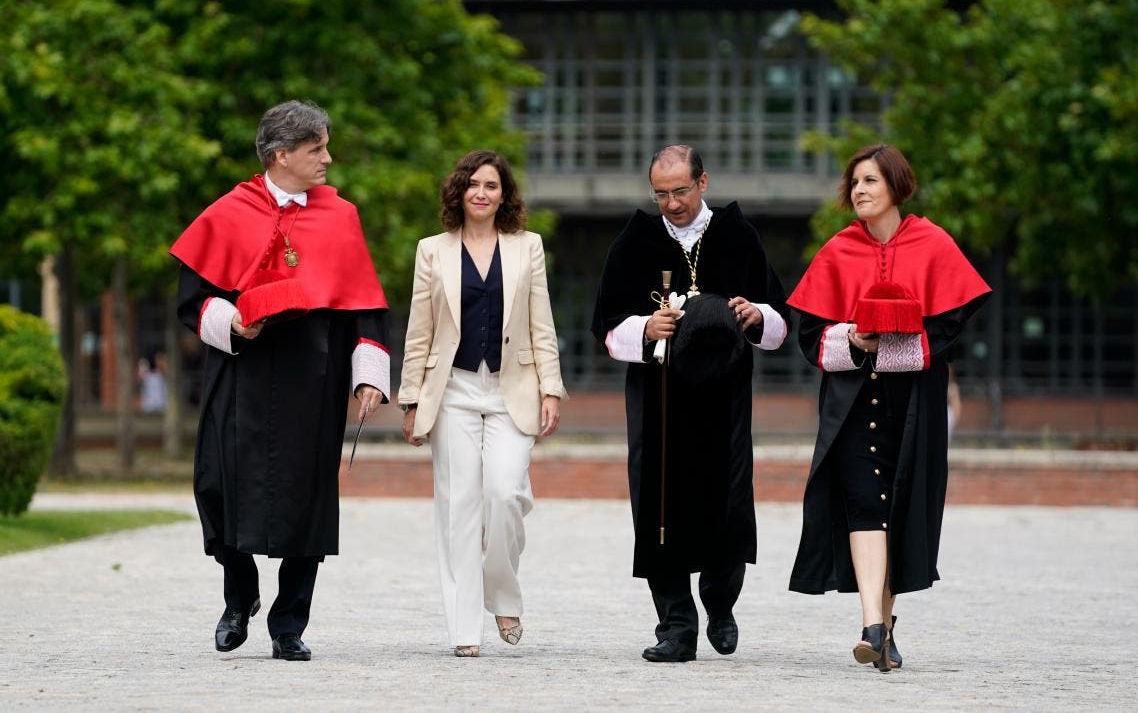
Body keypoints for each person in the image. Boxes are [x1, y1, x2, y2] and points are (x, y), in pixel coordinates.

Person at [170, 100, 390, 662]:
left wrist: (368, 377)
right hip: (239, 371)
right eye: (317, 149)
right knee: (219, 486)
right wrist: (235, 323)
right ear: (281, 154)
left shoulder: (340, 216)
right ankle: (238, 598)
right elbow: (192, 304)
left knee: (308, 499)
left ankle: (289, 624)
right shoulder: (226, 212)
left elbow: (363, 307)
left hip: (314, 375)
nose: (328, 158)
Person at [786, 143, 990, 671]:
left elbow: (950, 326)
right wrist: (857, 341)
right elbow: (810, 336)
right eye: (854, 183)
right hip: (851, 402)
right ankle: (871, 625)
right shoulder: (836, 250)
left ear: (896, 186)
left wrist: (894, 347)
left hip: (914, 400)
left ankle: (885, 626)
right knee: (865, 506)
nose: (860, 191)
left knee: (897, 507)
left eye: (871, 181)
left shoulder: (933, 242)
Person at [591, 144, 789, 662]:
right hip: (658, 403)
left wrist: (755, 315)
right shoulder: (633, 242)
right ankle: (676, 625)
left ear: (704, 182)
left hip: (724, 401)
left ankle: (720, 605)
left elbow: (781, 318)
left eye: (680, 191)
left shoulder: (738, 236)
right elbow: (605, 327)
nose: (672, 203)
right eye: (661, 194)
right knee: (658, 507)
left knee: (728, 501)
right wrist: (645, 327)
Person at [398, 149, 566, 658]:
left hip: (512, 389)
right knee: (459, 510)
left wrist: (551, 388)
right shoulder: (432, 250)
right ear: (459, 191)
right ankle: (463, 629)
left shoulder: (527, 247)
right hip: (452, 390)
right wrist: (410, 399)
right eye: (472, 184)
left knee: (504, 494)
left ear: (503, 194)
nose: (481, 192)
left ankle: (503, 592)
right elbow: (419, 330)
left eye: (491, 185)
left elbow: (541, 323)